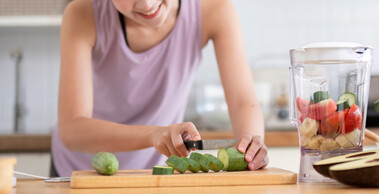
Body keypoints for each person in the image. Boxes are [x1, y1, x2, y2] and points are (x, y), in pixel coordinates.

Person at [50, 0, 268, 177]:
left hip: (155, 172)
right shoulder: (81, 14)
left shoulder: (214, 10)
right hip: (81, 172)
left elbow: (242, 103)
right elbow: (72, 129)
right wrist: (154, 134)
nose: (147, 4)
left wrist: (251, 144)